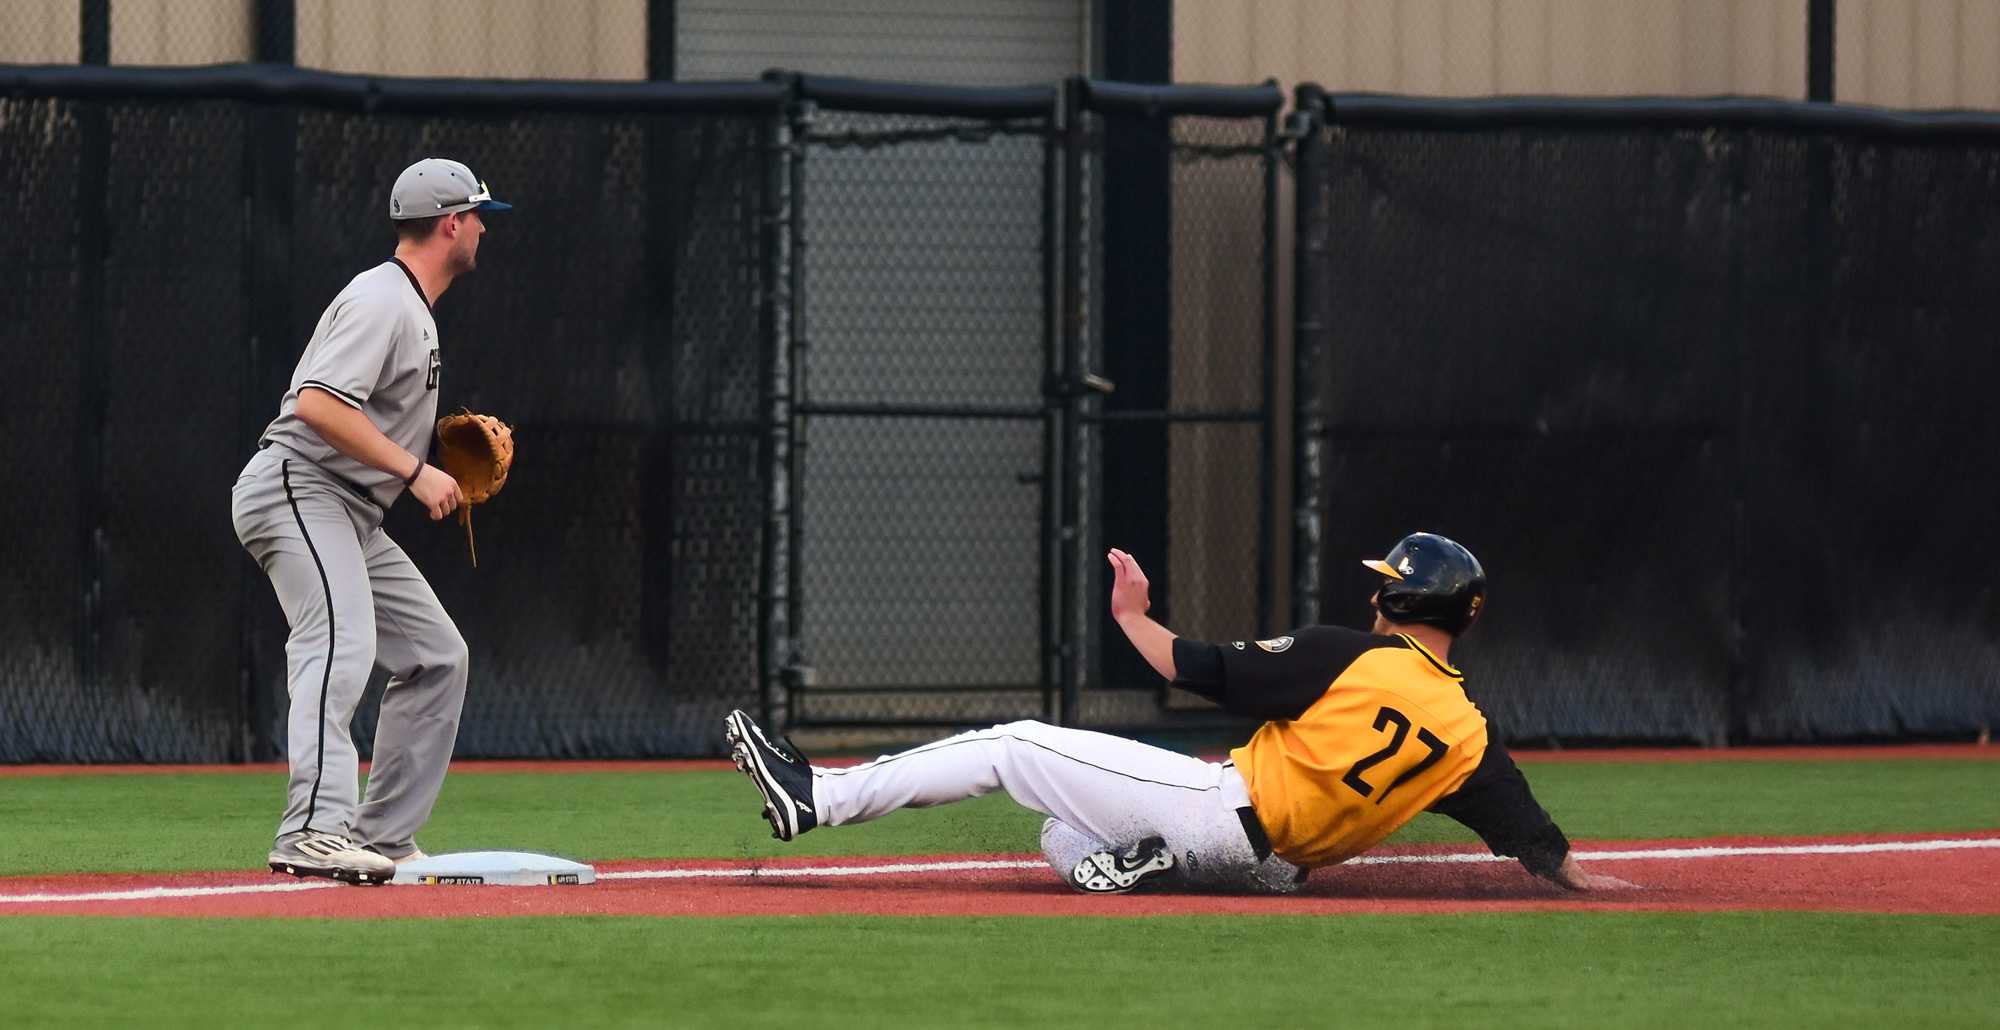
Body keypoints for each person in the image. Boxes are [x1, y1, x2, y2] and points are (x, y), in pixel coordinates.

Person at [725, 532, 1633, 894]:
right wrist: (1599, 890)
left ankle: (818, 800)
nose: (1378, 597)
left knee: (1015, 744)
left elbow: (1195, 668)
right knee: (1057, 831)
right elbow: (1537, 844)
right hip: (1273, 869)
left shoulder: (1352, 654)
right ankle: (1153, 866)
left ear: (1400, 605)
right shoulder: (1471, 735)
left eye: (1388, 587)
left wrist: (1130, 616)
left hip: (1216, 810)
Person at [231, 158, 511, 885]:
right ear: (451, 224)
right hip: (299, 485)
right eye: (479, 214)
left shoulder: (411, 309)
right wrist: (415, 470)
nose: (484, 226)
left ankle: (382, 835)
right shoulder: (384, 299)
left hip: (349, 510)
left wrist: (417, 454)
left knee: (437, 655)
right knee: (340, 639)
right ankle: (313, 830)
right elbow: (318, 406)